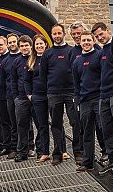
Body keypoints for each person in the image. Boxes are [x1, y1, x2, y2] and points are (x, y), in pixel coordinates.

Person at [41, 23, 80, 165]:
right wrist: (49, 89)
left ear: (64, 34)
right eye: (54, 34)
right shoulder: (47, 53)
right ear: (51, 35)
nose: (57, 36)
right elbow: (43, 74)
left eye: (59, 33)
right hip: (54, 93)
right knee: (56, 124)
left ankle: (78, 152)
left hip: (70, 92)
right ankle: (57, 153)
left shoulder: (71, 51)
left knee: (75, 122)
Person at [91, 22, 113, 175]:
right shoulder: (101, 52)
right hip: (103, 94)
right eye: (97, 37)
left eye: (101, 34)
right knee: (107, 127)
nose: (100, 38)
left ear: (107, 31)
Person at [72, 31, 102, 172]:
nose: (86, 42)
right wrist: (77, 100)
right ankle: (88, 161)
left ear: (93, 41)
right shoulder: (77, 61)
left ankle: (109, 156)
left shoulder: (99, 56)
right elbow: (76, 83)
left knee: (104, 129)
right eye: (83, 40)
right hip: (85, 101)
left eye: (88, 40)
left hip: (99, 98)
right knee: (87, 132)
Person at [27, 34, 49, 163]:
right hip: (37, 96)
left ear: (45, 44)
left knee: (57, 124)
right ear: (34, 47)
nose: (39, 46)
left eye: (41, 43)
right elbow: (26, 80)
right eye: (37, 44)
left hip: (51, 94)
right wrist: (30, 95)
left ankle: (60, 151)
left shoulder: (50, 57)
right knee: (41, 125)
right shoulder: (31, 60)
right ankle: (42, 151)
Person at [11, 35, 33, 162]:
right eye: (22, 46)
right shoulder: (17, 62)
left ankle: (40, 151)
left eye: (26, 45)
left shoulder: (36, 59)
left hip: (36, 97)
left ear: (31, 46)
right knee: (22, 125)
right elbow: (13, 80)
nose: (24, 48)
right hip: (21, 98)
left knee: (41, 125)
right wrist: (15, 96)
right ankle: (22, 152)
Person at [0, 36, 13, 157]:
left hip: (8, 96)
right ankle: (6, 146)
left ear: (6, 45)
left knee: (12, 122)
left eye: (1, 45)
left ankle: (13, 147)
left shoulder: (9, 59)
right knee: (4, 122)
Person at [3, 33, 21, 159]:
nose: (12, 44)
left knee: (26, 123)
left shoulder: (25, 57)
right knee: (13, 123)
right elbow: (4, 79)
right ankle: (14, 148)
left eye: (14, 42)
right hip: (10, 95)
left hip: (24, 95)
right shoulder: (5, 61)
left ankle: (29, 147)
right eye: (10, 42)